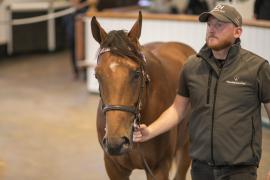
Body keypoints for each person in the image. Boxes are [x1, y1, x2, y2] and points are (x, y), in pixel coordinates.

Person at [133, 4, 270, 180]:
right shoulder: (192, 66)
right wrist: (150, 131)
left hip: (239, 171)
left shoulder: (257, 68)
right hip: (200, 168)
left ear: (237, 32)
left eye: (219, 25)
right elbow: (178, 109)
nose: (212, 29)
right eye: (209, 24)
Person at [64, 0, 90, 79]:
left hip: (84, 15)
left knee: (85, 45)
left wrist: (82, 5)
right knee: (72, 43)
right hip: (72, 17)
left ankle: (85, 72)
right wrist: (73, 4)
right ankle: (76, 71)